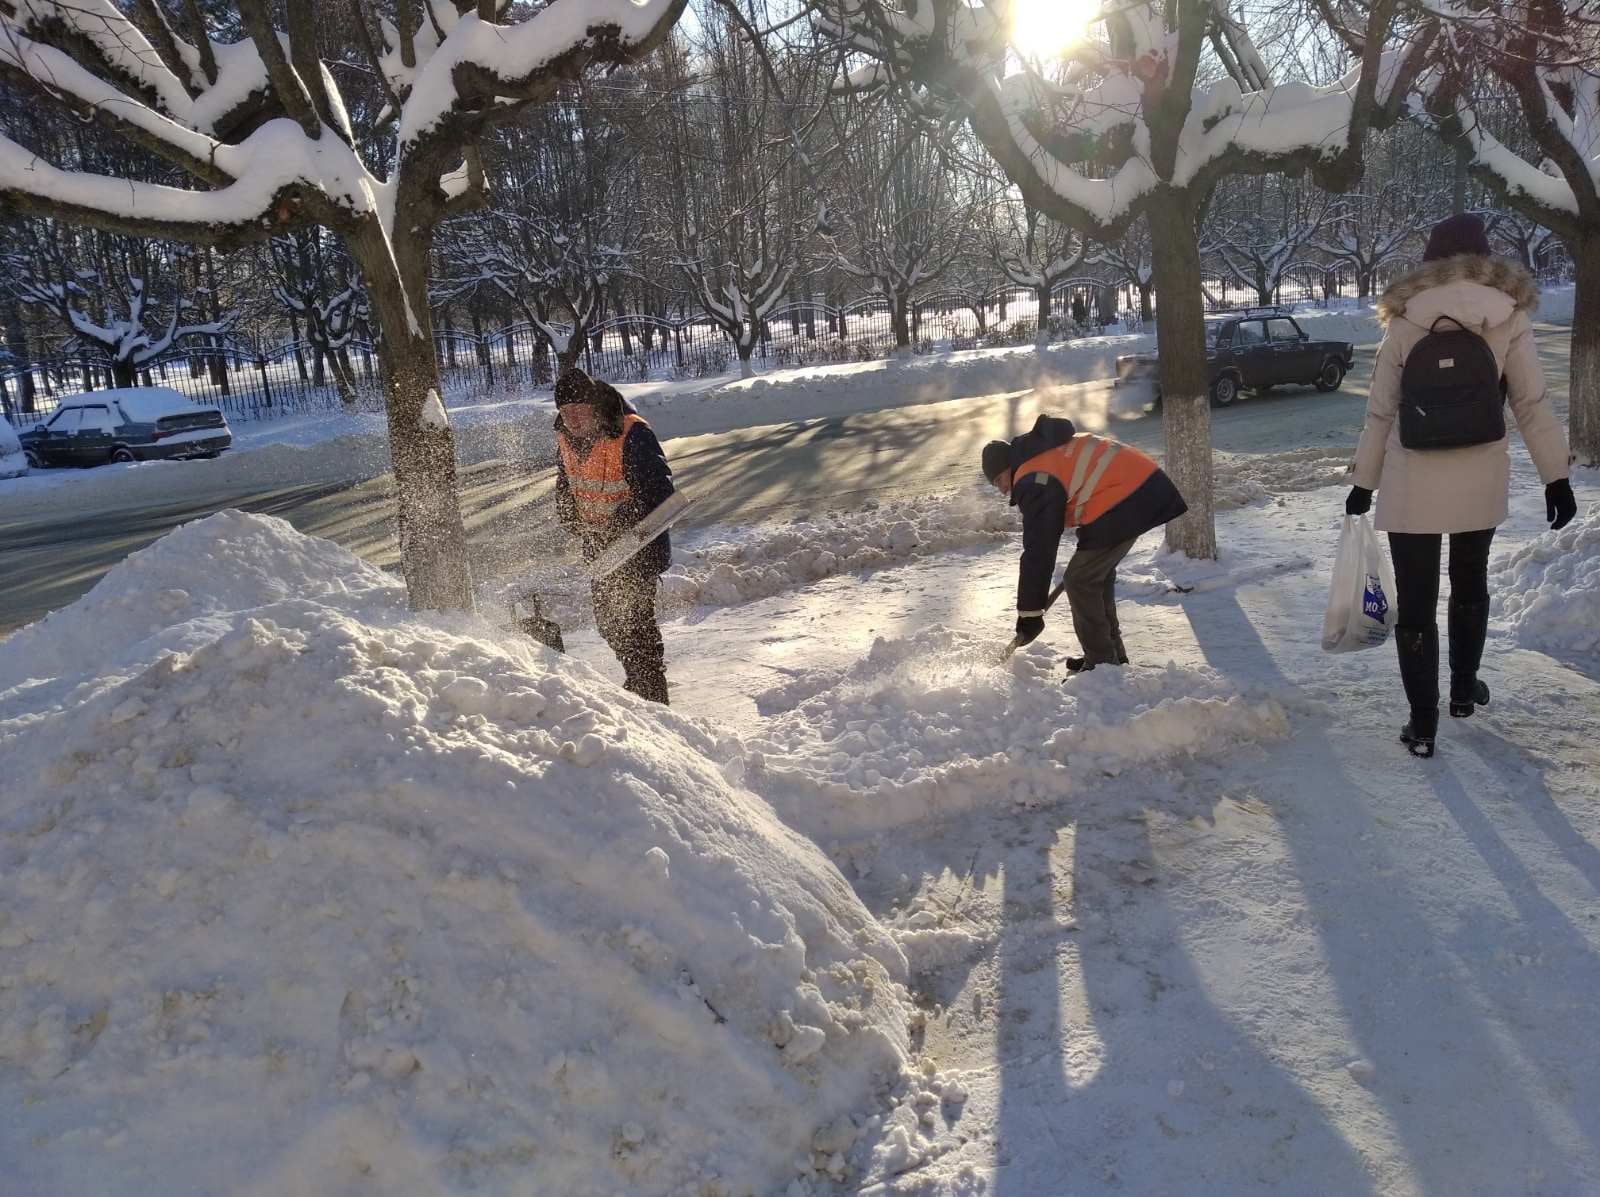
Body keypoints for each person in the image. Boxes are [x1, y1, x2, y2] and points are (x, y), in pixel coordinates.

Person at [1346, 212, 1576, 758]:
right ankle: (1464, 691)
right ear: (1485, 259)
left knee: (1418, 603)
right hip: (1481, 473)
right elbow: (1530, 404)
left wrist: (1364, 482)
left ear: (1432, 261)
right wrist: (1556, 477)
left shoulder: (1404, 320)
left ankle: (1422, 724)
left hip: (1410, 479)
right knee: (1471, 582)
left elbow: (1379, 414)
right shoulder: (1508, 317)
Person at [983, 414, 1187, 671]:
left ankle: (1102, 664)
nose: (1003, 489)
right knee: (1094, 578)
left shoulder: (1033, 477)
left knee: (1080, 580)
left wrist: (1030, 612)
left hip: (1128, 498)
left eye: (999, 481)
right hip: (1135, 493)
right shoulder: (1041, 458)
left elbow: (1039, 548)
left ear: (1008, 466)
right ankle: (1110, 657)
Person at [553, 368, 676, 704]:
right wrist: (567, 511)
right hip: (600, 549)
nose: (573, 419)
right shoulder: (565, 438)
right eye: (566, 412)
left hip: (638, 545)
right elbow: (566, 483)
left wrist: (621, 521)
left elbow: (660, 492)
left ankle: (652, 694)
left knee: (637, 626)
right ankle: (639, 680)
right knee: (609, 623)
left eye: (580, 410)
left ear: (595, 406)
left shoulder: (631, 434)